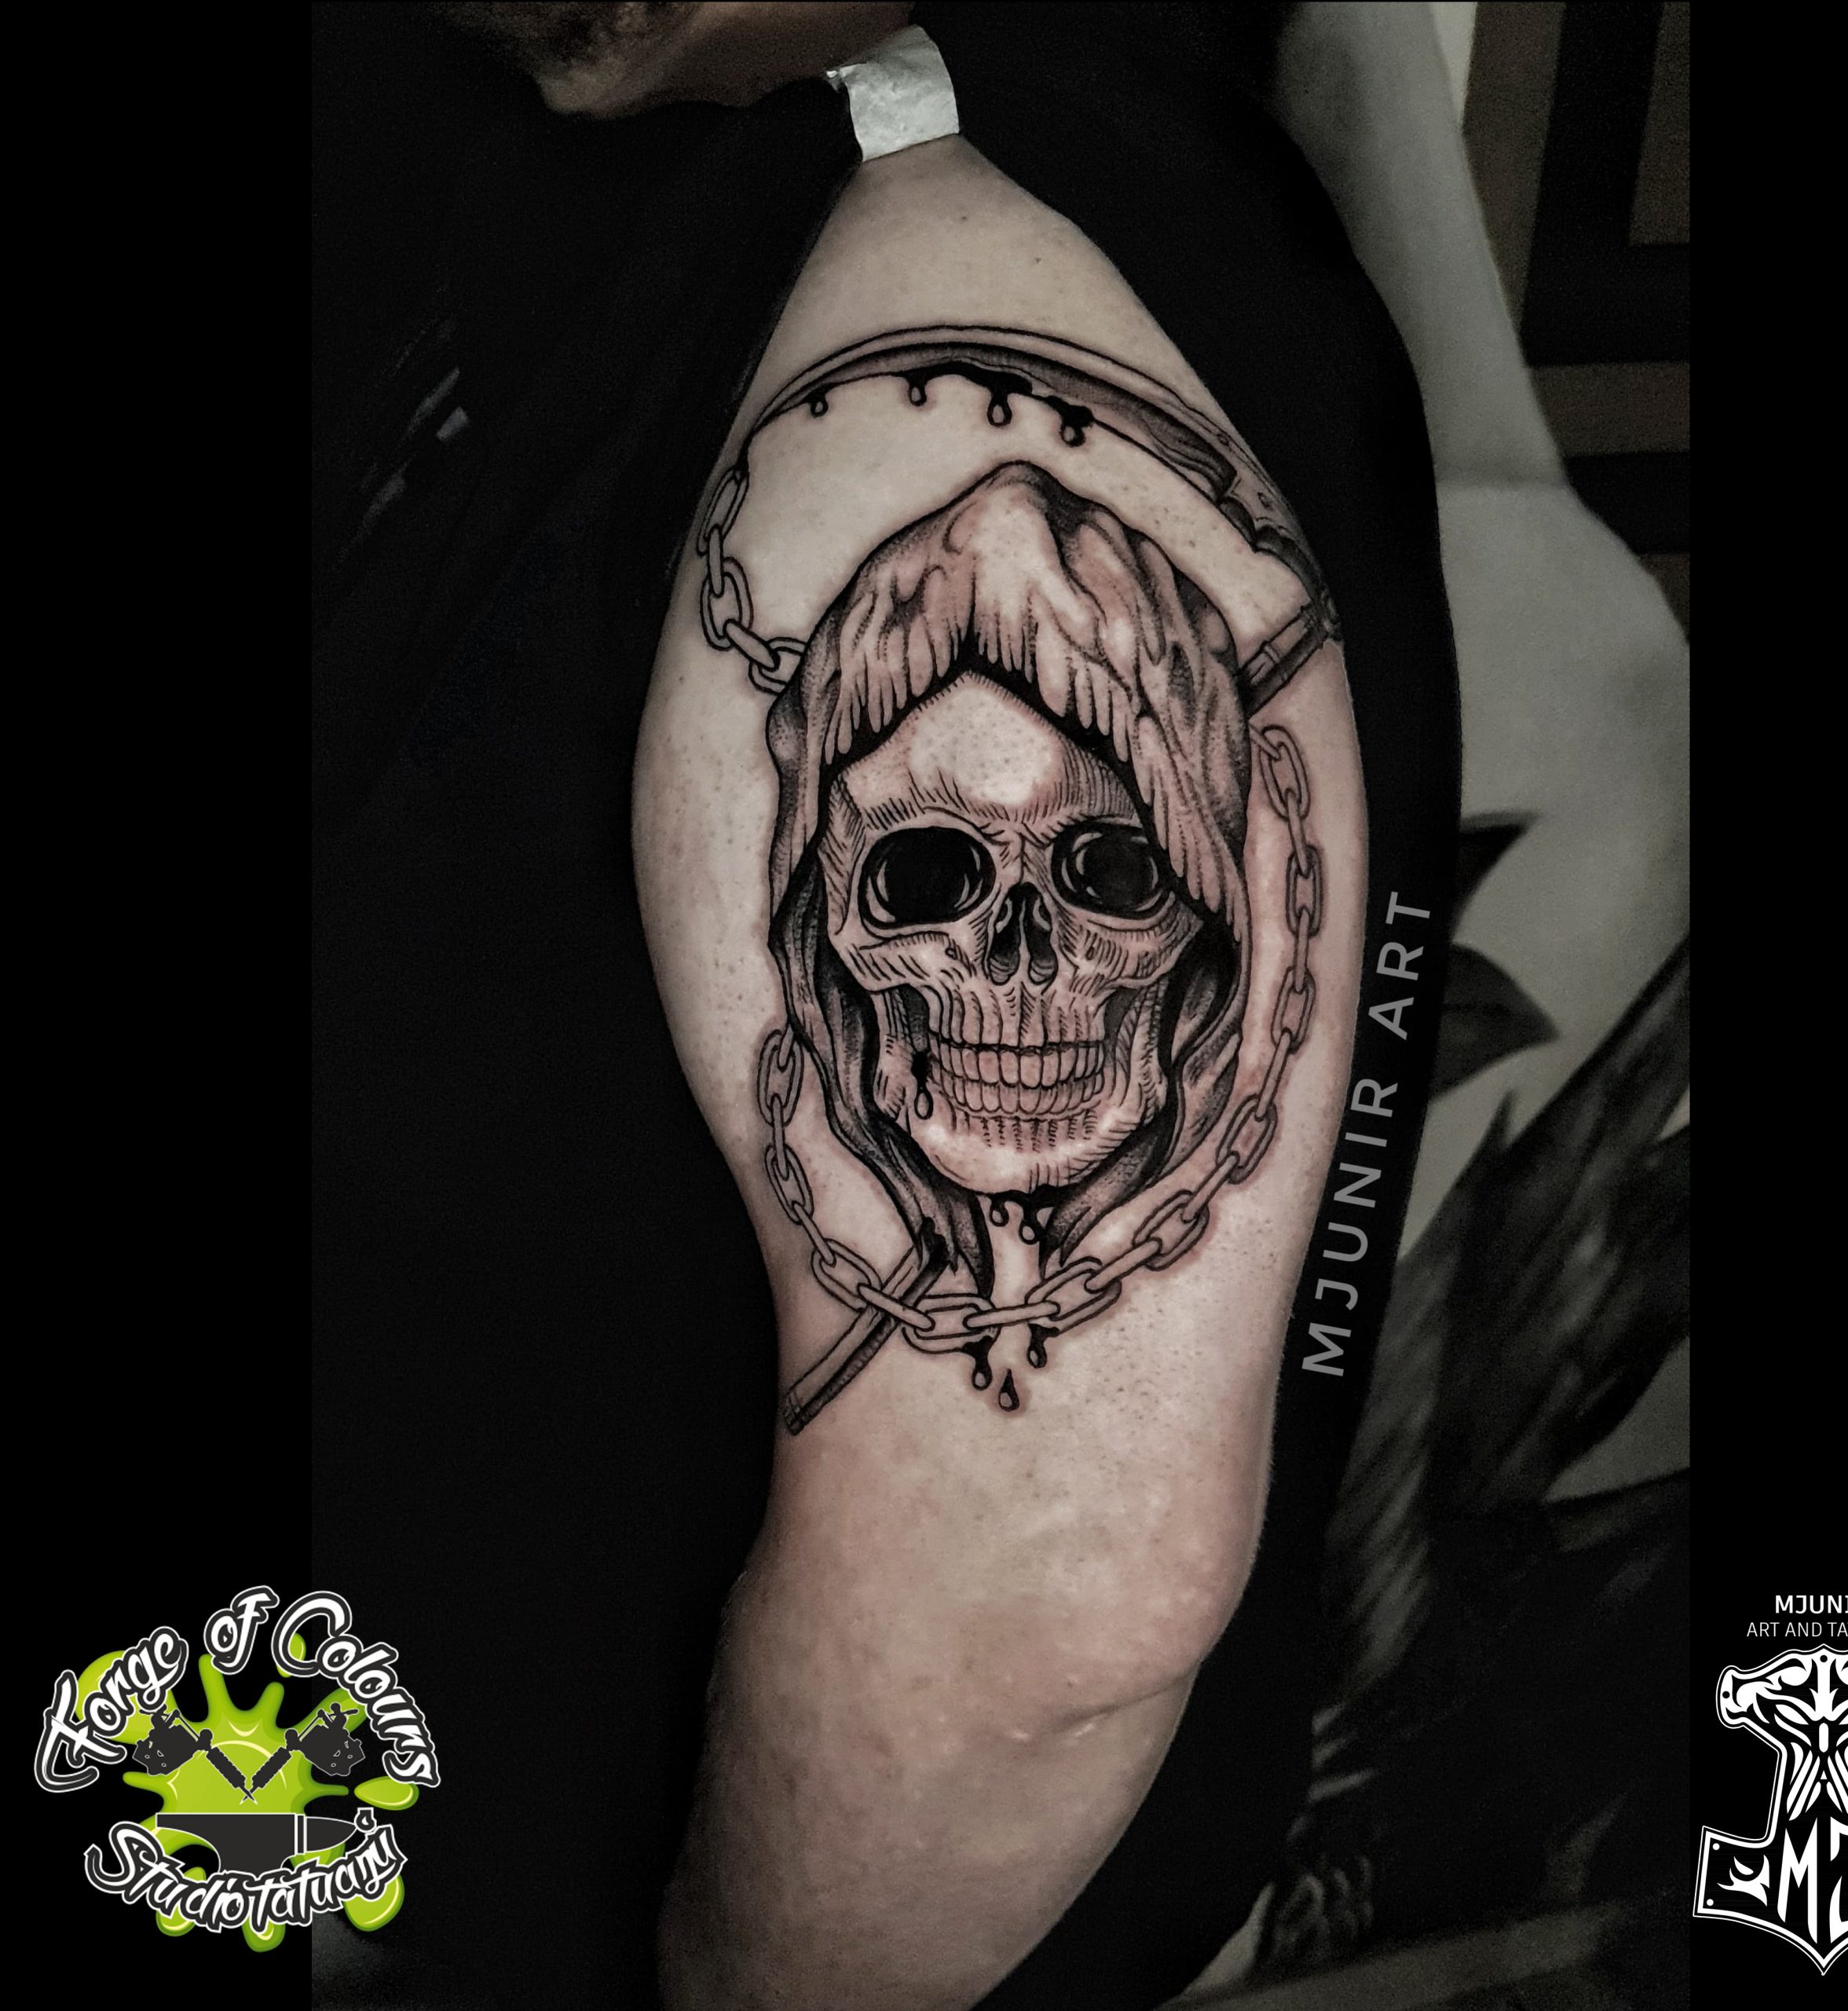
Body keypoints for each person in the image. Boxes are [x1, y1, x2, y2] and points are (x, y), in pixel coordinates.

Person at [311, 5, 1458, 2006]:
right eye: (927, 878)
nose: (1014, 966)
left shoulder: (938, 319)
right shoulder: (692, 183)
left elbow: (1047, 1614)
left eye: (1101, 878)